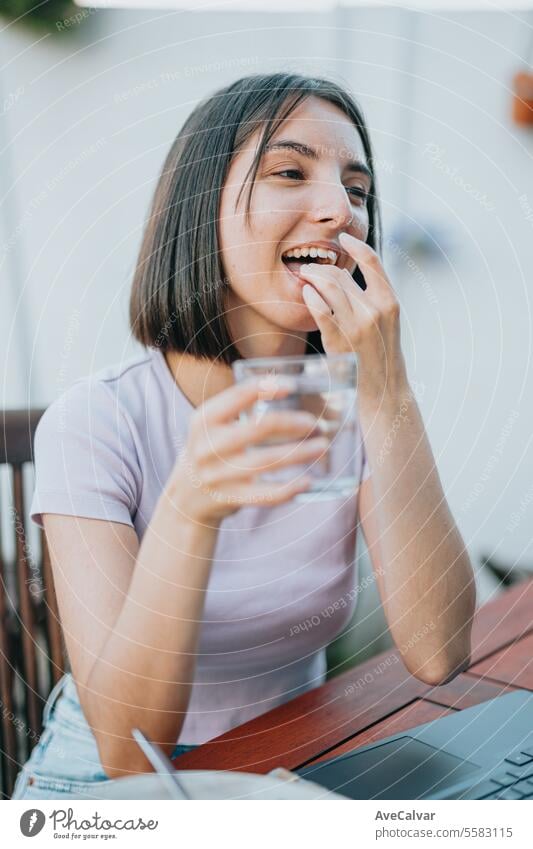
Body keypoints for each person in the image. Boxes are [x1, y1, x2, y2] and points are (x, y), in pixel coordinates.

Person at [12, 72, 476, 800]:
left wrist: (388, 394)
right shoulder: (97, 420)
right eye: (290, 172)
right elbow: (128, 752)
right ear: (198, 213)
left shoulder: (358, 408)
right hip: (102, 789)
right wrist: (191, 506)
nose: (339, 211)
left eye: (356, 190)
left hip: (293, 759)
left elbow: (439, 650)